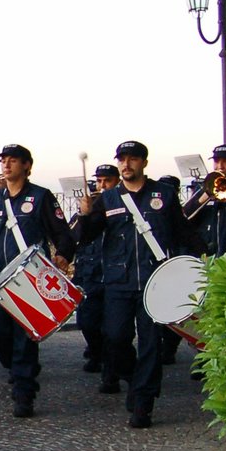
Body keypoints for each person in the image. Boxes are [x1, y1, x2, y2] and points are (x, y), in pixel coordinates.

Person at [74, 140, 200, 428]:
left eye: (132, 159)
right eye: (122, 159)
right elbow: (88, 236)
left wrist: (202, 257)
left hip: (155, 281)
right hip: (118, 281)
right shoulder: (108, 199)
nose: (126, 164)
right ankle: (133, 379)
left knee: (150, 344)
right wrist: (85, 214)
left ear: (144, 162)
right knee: (115, 339)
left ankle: (143, 402)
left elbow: (183, 231)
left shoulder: (164, 194)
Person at [0, 143, 76, 418]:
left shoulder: (41, 197)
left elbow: (61, 231)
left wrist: (63, 254)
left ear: (27, 166)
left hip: (27, 275)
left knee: (24, 336)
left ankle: (24, 392)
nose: (6, 165)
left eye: (13, 161)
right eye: (4, 160)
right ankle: (17, 369)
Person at [71, 163, 119, 373]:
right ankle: (96, 351)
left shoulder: (120, 207)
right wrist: (85, 214)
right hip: (89, 273)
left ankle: (111, 370)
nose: (102, 185)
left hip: (113, 274)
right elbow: (73, 237)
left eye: (107, 181)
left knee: (114, 328)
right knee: (87, 321)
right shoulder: (89, 209)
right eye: (99, 181)